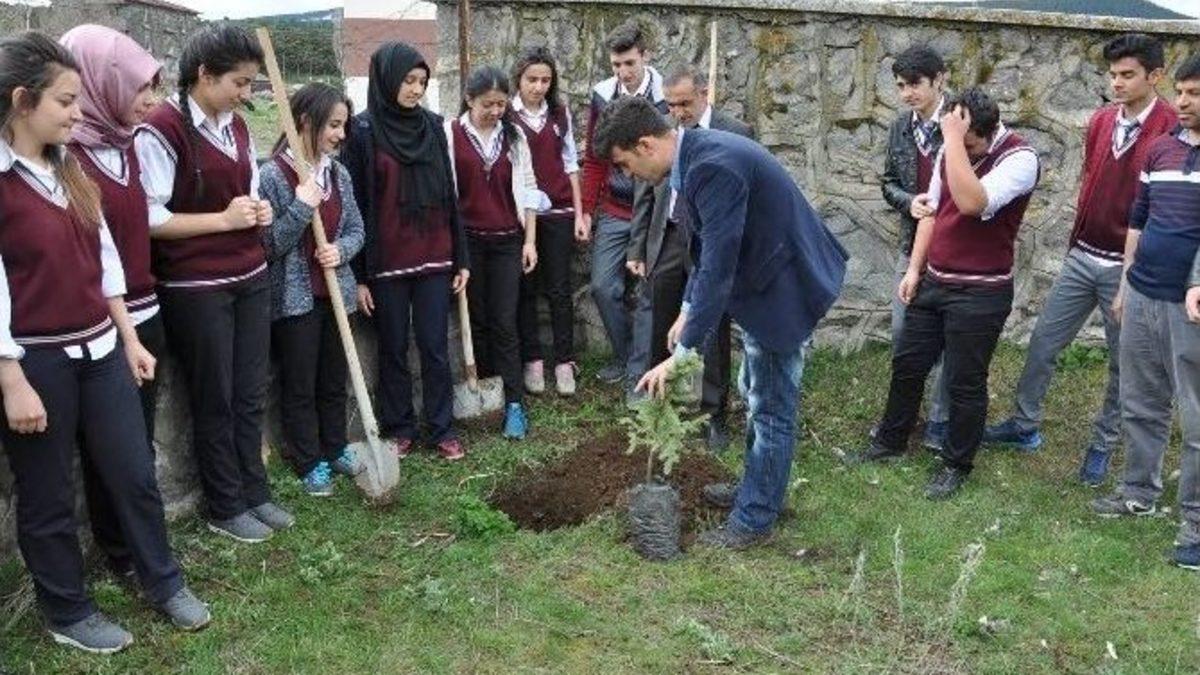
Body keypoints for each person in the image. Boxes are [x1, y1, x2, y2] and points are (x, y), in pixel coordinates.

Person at [0, 30, 209, 654]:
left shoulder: (69, 168)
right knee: (47, 494)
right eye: (65, 101)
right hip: (37, 361)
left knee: (133, 471)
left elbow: (105, 260)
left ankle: (162, 580)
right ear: (22, 101)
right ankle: (67, 610)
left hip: (101, 349)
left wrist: (129, 339)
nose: (77, 113)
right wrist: (11, 378)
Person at [596, 96, 848, 550]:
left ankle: (754, 519)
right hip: (763, 281)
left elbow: (719, 265)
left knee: (770, 408)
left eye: (625, 164)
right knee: (756, 393)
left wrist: (683, 355)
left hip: (782, 288)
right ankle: (758, 488)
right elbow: (704, 247)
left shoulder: (711, 167)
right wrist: (687, 308)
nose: (628, 176)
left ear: (646, 144)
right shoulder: (694, 159)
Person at [985, 34, 1177, 486]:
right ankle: (1024, 425)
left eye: (1127, 75)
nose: (1117, 83)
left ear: (1155, 76)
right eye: (1113, 74)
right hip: (1082, 255)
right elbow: (1092, 176)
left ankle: (1102, 445)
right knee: (1043, 342)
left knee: (1123, 364)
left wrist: (1137, 271)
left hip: (1129, 269)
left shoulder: (1171, 128)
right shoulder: (1101, 120)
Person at [135, 24, 293, 543]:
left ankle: (255, 491)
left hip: (249, 274)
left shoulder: (237, 126)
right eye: (239, 83)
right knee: (216, 397)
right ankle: (225, 505)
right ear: (204, 75)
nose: (246, 94)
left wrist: (258, 209)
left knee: (250, 391)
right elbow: (150, 218)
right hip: (196, 287)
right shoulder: (161, 130)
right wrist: (223, 221)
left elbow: (245, 189)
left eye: (250, 83)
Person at [846, 89, 1040, 501]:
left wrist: (952, 139)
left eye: (968, 144)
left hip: (981, 291)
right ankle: (890, 441)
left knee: (965, 381)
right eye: (957, 142)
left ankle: (956, 464)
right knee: (907, 364)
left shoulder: (1020, 159)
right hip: (935, 280)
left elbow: (971, 203)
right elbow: (932, 211)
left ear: (987, 132)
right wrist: (914, 269)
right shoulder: (951, 148)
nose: (960, 151)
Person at [59, 23, 168, 594]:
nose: (150, 100)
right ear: (102, 84)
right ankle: (118, 548)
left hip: (146, 312)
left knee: (138, 440)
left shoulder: (129, 145)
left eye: (152, 87)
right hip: (99, 323)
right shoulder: (68, 159)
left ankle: (140, 544)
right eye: (139, 87)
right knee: (108, 448)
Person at [1090, 55, 1200, 571]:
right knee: (1140, 401)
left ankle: (1196, 522)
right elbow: (1140, 217)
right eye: (1181, 91)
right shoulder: (1161, 149)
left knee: (1196, 418)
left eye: (1194, 93)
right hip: (1142, 294)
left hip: (1189, 306)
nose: (1183, 102)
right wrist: (1125, 285)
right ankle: (1138, 492)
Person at [344, 42, 469, 461]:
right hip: (387, 262)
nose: (416, 89)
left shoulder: (433, 126)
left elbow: (450, 194)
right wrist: (359, 276)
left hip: (435, 255)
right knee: (393, 348)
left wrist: (461, 257)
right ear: (386, 80)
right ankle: (400, 427)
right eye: (408, 81)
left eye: (422, 81)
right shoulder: (362, 132)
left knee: (435, 347)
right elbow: (355, 206)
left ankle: (442, 428)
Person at [628, 64, 751, 454]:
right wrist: (637, 246)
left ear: (704, 93)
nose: (678, 112)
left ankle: (712, 413)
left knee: (709, 322)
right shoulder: (662, 133)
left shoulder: (735, 132)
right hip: (667, 236)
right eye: (671, 104)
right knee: (660, 318)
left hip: (710, 238)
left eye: (684, 103)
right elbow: (646, 191)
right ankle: (660, 401)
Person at [261, 83, 365, 495]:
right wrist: (303, 206)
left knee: (333, 380)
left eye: (343, 125)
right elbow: (269, 246)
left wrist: (340, 251)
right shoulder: (273, 175)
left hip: (337, 294)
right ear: (305, 121)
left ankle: (335, 447)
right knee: (300, 385)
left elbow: (357, 230)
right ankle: (308, 459)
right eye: (333, 125)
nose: (341, 134)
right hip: (295, 302)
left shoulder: (338, 174)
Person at [445, 65, 539, 439]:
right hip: (468, 243)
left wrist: (530, 240)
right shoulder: (449, 135)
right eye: (488, 104)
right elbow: (446, 191)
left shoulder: (514, 137)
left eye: (501, 104)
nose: (496, 111)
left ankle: (514, 404)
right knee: (477, 321)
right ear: (469, 99)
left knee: (505, 322)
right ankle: (488, 394)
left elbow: (529, 189)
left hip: (506, 242)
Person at [580, 21, 666, 392]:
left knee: (647, 295)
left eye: (630, 63)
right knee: (602, 286)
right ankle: (628, 355)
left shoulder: (664, 96)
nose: (623, 72)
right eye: (616, 65)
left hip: (655, 211)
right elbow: (595, 156)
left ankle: (639, 372)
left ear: (645, 56)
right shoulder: (603, 96)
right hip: (615, 209)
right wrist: (586, 210)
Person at [880, 45, 951, 452]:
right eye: (900, 86)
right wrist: (909, 202)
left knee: (947, 342)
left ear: (939, 79)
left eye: (915, 84)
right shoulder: (899, 128)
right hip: (911, 246)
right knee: (902, 332)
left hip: (953, 251)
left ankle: (940, 421)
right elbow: (888, 181)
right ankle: (905, 416)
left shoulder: (961, 122)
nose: (907, 93)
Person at [512, 46, 585, 397]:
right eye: (532, 79)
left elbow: (571, 164)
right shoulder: (507, 115)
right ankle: (533, 359)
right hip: (522, 214)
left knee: (559, 288)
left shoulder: (559, 114)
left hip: (558, 211)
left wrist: (579, 212)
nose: (539, 87)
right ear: (519, 79)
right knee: (526, 288)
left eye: (545, 80)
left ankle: (564, 361)